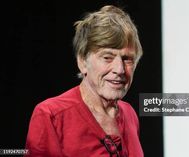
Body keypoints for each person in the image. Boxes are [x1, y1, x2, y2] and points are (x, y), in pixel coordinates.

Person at [25, 5, 144, 157]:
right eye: (107, 57)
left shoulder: (129, 114)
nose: (119, 69)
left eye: (127, 59)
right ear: (82, 62)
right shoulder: (51, 115)